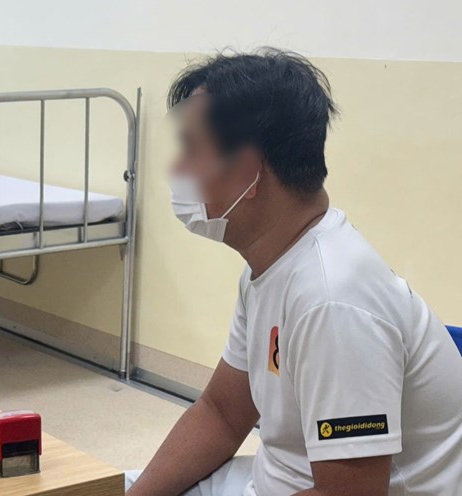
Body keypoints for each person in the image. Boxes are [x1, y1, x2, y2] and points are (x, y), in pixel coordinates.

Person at [127, 49, 462, 495]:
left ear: (247, 173)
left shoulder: (333, 300)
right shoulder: (269, 268)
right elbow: (222, 414)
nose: (176, 169)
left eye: (190, 149)